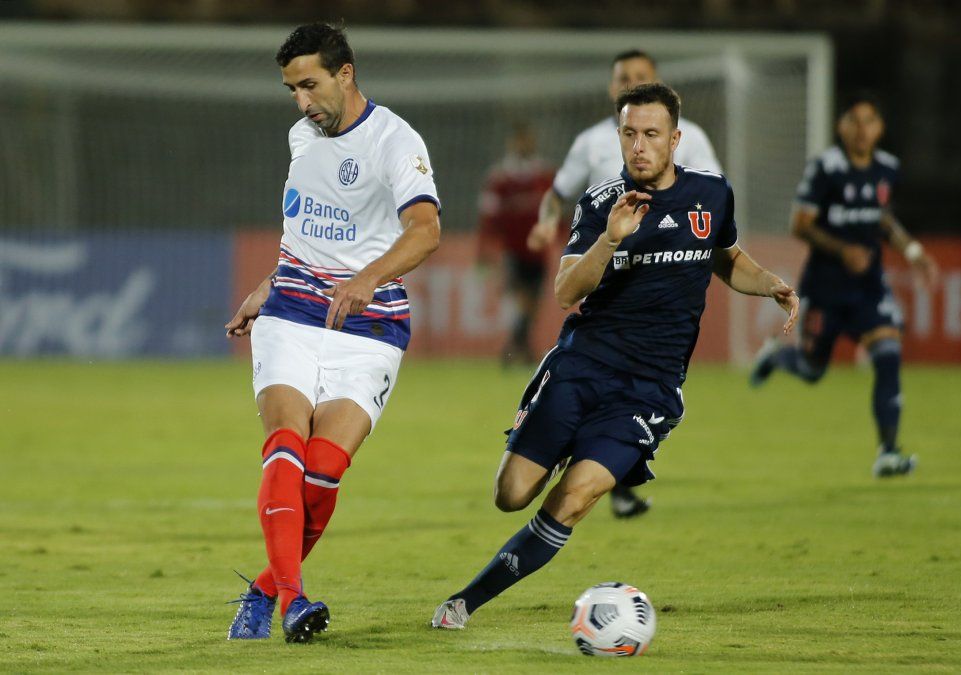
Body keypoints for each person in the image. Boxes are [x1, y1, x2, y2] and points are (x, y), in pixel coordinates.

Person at [431, 83, 798, 630]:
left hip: (648, 390)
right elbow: (563, 292)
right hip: (583, 367)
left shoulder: (713, 194)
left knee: (575, 500)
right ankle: (559, 443)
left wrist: (768, 283)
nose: (639, 147)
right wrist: (610, 240)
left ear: (676, 139)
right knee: (511, 495)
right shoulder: (602, 202)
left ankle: (464, 602)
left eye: (651, 135)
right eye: (629, 134)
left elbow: (724, 256)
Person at [223, 22, 441, 643]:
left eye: (310, 85)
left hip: (369, 323)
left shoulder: (395, 142)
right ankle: (292, 600)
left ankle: (264, 587)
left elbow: (425, 230)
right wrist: (267, 285)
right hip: (291, 311)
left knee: (322, 472)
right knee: (287, 443)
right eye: (291, 89)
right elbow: (306, 236)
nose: (301, 102)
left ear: (346, 73)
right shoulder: (301, 136)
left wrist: (369, 277)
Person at [528, 49, 722, 519]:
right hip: (603, 265)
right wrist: (543, 223)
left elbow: (710, 201)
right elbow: (557, 196)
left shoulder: (691, 138)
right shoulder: (591, 144)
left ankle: (609, 469)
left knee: (635, 383)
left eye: (637, 77)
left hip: (658, 276)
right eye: (621, 78)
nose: (627, 83)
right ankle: (581, 451)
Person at [749, 92, 937, 478]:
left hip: (869, 288)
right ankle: (776, 356)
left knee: (888, 355)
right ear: (842, 127)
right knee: (812, 369)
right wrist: (844, 249)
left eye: (870, 121)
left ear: (880, 128)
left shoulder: (888, 168)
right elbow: (799, 224)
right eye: (854, 120)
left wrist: (913, 250)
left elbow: (883, 218)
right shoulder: (826, 168)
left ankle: (888, 452)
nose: (862, 129)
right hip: (826, 289)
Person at [476, 122, 557, 365]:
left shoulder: (545, 175)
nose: (523, 145)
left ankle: (518, 348)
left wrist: (561, 235)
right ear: (512, 144)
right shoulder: (500, 178)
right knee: (521, 298)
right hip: (512, 249)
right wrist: (486, 249)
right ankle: (517, 351)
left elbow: (556, 211)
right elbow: (488, 215)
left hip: (539, 250)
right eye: (520, 141)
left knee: (533, 303)